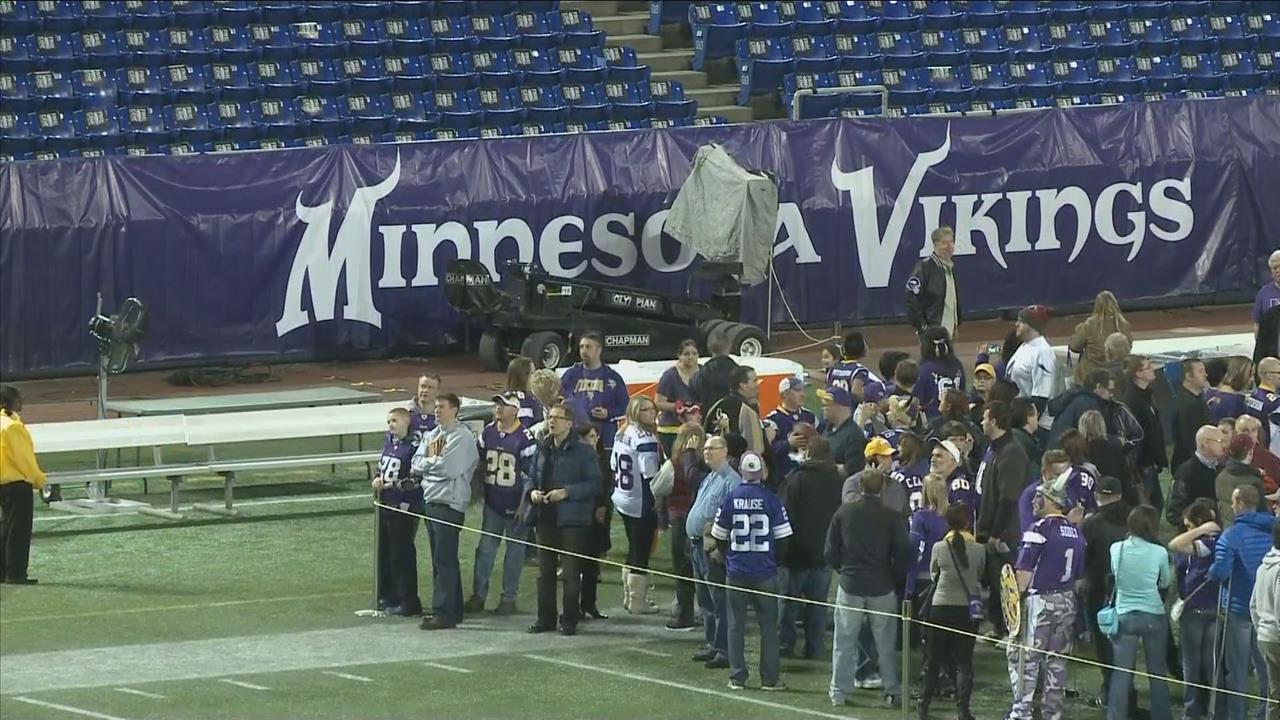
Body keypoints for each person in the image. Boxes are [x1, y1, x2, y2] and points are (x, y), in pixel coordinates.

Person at [827, 468, 913, 708]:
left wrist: (843, 571)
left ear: (860, 487)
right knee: (885, 643)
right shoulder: (891, 516)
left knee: (844, 641)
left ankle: (839, 692)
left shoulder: (844, 512)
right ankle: (893, 690)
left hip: (851, 584)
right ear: (883, 489)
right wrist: (893, 577)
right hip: (882, 586)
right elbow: (904, 552)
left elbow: (830, 551)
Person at [711, 452, 792, 691]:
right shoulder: (772, 499)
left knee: (735, 626)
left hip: (736, 572)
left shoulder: (731, 497)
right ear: (762, 472)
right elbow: (784, 539)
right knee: (768, 628)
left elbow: (719, 536)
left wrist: (729, 557)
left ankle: (737, 676)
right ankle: (770, 678)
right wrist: (773, 561)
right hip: (765, 573)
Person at [1006, 479, 1086, 720]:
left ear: (1053, 501)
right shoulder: (1076, 533)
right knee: (1057, 660)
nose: (1034, 500)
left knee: (1025, 658)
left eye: (1040, 496)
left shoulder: (1039, 529)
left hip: (1040, 601)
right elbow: (1079, 575)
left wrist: (1014, 603)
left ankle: (1022, 712)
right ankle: (1053, 713)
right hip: (1067, 600)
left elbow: (1022, 575)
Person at [524, 402, 604, 636]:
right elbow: (529, 475)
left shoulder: (584, 451)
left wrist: (567, 492)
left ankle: (569, 619)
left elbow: (595, 484)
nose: (552, 421)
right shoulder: (543, 447)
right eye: (550, 417)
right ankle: (545, 618)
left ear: (569, 423)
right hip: (545, 517)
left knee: (570, 573)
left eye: (558, 418)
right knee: (544, 572)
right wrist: (532, 492)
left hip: (572, 520)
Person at [465, 392, 538, 615]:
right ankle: (478, 595)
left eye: (504, 405)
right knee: (485, 551)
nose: (498, 408)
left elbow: (531, 475)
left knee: (514, 554)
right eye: (497, 404)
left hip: (516, 506)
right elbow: (478, 463)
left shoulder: (526, 439)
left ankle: (508, 598)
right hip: (493, 503)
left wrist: (524, 504)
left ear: (515, 410)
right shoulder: (488, 432)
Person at [412, 393, 480, 631]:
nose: (437, 410)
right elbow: (416, 463)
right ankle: (454, 609)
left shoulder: (462, 438)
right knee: (440, 559)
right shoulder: (433, 435)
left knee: (444, 559)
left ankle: (443, 612)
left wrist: (429, 467)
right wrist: (432, 465)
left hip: (449, 504)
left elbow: (449, 469)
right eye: (436, 407)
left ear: (455, 410)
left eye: (442, 407)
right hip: (432, 501)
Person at [1210, 484, 1277, 720]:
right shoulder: (1271, 531)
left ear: (1239, 504)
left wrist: (1211, 570)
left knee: (1236, 672)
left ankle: (1236, 716)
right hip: (1264, 611)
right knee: (1266, 672)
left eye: (1232, 501)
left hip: (1237, 610)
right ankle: (1264, 715)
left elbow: (1221, 572)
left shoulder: (1231, 536)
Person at [918, 502, 985, 720]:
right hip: (966, 610)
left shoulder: (939, 547)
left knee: (933, 659)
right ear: (968, 522)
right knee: (964, 663)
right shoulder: (979, 549)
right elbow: (979, 574)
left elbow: (933, 573)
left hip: (940, 608)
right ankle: (963, 710)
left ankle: (923, 706)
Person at [1106, 505, 1173, 720]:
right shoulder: (1159, 552)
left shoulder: (1117, 548)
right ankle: (1161, 716)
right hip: (1153, 614)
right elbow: (1165, 581)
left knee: (1121, 674)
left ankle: (1116, 716)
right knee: (1157, 672)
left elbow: (1116, 576)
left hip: (1125, 614)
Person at [778, 435, 841, 659]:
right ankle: (814, 646)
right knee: (818, 604)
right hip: (823, 553)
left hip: (796, 553)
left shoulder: (796, 479)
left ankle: (786, 644)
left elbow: (784, 516)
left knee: (788, 602)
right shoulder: (838, 480)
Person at [686, 434, 743, 668]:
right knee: (706, 600)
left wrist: (721, 547)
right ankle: (712, 643)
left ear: (725, 452)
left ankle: (723, 649)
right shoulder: (710, 477)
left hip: (712, 548)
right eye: (705, 448)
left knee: (719, 600)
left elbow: (733, 518)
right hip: (697, 544)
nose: (706, 452)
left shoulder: (732, 481)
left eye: (712, 448)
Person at [1081, 476, 1134, 711]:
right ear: (1120, 495)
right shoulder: (1136, 518)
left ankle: (1112, 694)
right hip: (1130, 592)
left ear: (1097, 496)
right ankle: (1125, 692)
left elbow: (1083, 558)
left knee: (1104, 646)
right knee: (1126, 647)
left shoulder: (1091, 523)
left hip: (1098, 593)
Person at [1170, 498, 1224, 720]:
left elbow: (1174, 544)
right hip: (1207, 609)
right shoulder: (1217, 541)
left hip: (1199, 611)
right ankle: (1209, 709)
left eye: (1189, 526)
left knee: (1195, 664)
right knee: (1206, 664)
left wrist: (1200, 530)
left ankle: (1195, 710)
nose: (1187, 530)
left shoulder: (1205, 545)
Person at [611, 395, 662, 615]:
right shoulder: (645, 439)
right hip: (640, 500)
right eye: (646, 410)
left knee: (634, 546)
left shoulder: (622, 432)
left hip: (622, 496)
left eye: (653, 409)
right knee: (641, 549)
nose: (652, 413)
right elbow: (651, 475)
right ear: (635, 412)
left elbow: (613, 463)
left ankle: (629, 596)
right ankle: (637, 601)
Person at [373, 407, 422, 616]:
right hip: (385, 506)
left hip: (403, 507)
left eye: (394, 421)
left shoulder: (414, 447)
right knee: (386, 554)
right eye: (388, 421)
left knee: (401, 556)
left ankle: (408, 601)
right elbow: (381, 465)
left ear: (405, 422)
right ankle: (389, 595)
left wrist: (391, 485)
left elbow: (416, 479)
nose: (390, 425)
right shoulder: (389, 442)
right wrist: (376, 477)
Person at [975, 400, 1033, 567]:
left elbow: (1009, 498)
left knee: (1002, 588)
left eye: (985, 418)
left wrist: (996, 534)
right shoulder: (994, 448)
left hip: (1002, 539)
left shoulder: (1011, 452)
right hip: (986, 532)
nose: (981, 422)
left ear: (994, 421)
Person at [0, 385, 46, 585]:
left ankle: (3, 571)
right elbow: (24, 459)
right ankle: (16, 573)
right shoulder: (12, 427)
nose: (21, 403)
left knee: (5, 529)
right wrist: (38, 479)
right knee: (18, 531)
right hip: (17, 483)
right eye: (17, 399)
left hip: (2, 483)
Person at [666, 420, 707, 631]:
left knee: (683, 567)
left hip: (681, 516)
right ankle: (701, 611)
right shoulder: (707, 462)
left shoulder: (676, 462)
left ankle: (684, 614)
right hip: (700, 520)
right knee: (699, 567)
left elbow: (658, 486)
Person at [561, 333, 629, 452]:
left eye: (588, 347)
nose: (583, 351)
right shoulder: (571, 375)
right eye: (581, 347)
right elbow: (560, 400)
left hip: (605, 435)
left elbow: (625, 406)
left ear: (598, 350)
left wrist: (608, 413)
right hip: (576, 433)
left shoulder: (612, 376)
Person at [1121, 355, 1169, 512]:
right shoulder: (1133, 400)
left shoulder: (1146, 396)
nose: (1152, 369)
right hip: (1143, 464)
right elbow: (1137, 434)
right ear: (1138, 374)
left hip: (1150, 462)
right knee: (1145, 507)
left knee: (1155, 505)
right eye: (1148, 367)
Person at [575, 424, 613, 621]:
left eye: (595, 436)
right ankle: (575, 606)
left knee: (592, 563)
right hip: (580, 516)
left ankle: (590, 604)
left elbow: (608, 485)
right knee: (577, 563)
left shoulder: (603, 459)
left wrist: (604, 505)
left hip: (598, 518)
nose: (594, 440)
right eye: (589, 436)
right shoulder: (576, 459)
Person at [907, 474, 950, 641]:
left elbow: (915, 549)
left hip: (923, 577)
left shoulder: (921, 518)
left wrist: (909, 586)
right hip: (946, 577)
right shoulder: (952, 517)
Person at [1005, 305, 1056, 438]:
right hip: (1019, 419)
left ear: (1032, 326)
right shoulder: (1025, 346)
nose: (1016, 324)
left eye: (1021, 321)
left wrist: (1027, 427)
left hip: (1036, 426)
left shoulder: (1042, 352)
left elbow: (1041, 396)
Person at [905, 225, 961, 341]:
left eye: (951, 242)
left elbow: (951, 301)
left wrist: (955, 324)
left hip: (948, 332)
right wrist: (923, 327)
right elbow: (911, 298)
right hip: (932, 332)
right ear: (935, 244)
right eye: (944, 243)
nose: (949, 246)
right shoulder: (924, 267)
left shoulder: (949, 268)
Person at [1167, 425, 1228, 528]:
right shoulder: (1186, 472)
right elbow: (1174, 512)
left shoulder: (1222, 469)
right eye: (1220, 441)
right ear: (1206, 443)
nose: (1224, 445)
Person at [1069, 290, 1132, 385]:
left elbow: (1075, 347)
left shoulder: (1089, 324)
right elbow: (1128, 347)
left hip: (1091, 373)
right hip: (1118, 371)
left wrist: (1078, 331)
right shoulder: (1123, 324)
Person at [1252, 521, 1280, 720]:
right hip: (1277, 637)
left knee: (1274, 693)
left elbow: (1253, 605)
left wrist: (1261, 629)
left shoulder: (1263, 565)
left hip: (1265, 636)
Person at [1047, 369, 1115, 449]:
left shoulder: (1076, 398)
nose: (1112, 395)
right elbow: (1094, 436)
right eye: (1110, 390)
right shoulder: (1088, 405)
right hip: (1067, 453)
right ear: (1098, 386)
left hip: (1057, 449)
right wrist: (1117, 441)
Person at [707, 365, 767, 456]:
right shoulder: (747, 411)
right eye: (754, 381)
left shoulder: (717, 405)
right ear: (742, 385)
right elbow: (755, 448)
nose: (758, 385)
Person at [766, 376, 816, 482]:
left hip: (810, 476)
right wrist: (788, 444)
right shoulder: (773, 420)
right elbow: (767, 451)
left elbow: (822, 439)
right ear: (785, 394)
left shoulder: (809, 416)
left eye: (803, 390)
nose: (803, 394)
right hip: (785, 479)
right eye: (797, 390)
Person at [656, 339, 701, 457]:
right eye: (686, 354)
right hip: (671, 429)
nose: (690, 357)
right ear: (679, 356)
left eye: (694, 354)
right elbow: (659, 402)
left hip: (695, 429)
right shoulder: (670, 375)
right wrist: (680, 408)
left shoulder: (703, 373)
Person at [842, 437, 908, 513]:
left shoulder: (895, 485)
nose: (890, 461)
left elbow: (904, 513)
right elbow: (853, 510)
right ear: (871, 460)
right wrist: (872, 481)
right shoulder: (852, 483)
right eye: (884, 457)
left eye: (890, 456)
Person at [1079, 410, 1132, 500]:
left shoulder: (1081, 451)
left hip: (1091, 501)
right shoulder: (1116, 449)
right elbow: (1125, 479)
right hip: (1115, 498)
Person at [915, 326, 967, 420]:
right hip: (959, 421)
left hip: (934, 423)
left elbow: (919, 400)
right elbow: (963, 392)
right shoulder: (957, 364)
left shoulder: (923, 369)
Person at [1218, 433, 1270, 526]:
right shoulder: (1253, 482)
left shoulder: (1220, 476)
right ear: (1250, 452)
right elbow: (1262, 514)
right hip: (1251, 531)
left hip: (1227, 530)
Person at [818, 385, 867, 477]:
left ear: (841, 407)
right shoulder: (828, 429)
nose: (823, 407)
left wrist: (820, 467)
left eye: (827, 403)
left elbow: (853, 470)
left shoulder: (853, 434)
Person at [1173, 358, 1213, 471]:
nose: (1205, 375)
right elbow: (1189, 441)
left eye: (1204, 371)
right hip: (1191, 466)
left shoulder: (1195, 399)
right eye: (1200, 371)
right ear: (1189, 376)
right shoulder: (1188, 405)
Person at [828, 330, 884, 400]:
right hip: (849, 409)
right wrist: (865, 400)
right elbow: (856, 392)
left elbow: (826, 380)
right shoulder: (860, 370)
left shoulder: (835, 367)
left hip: (833, 406)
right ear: (863, 350)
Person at [693, 328, 739, 409]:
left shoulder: (701, 372)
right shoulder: (737, 371)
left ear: (709, 347)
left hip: (709, 416)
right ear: (730, 346)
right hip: (732, 414)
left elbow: (697, 398)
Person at [1207, 357, 1255, 425]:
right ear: (1242, 374)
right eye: (1251, 375)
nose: (1252, 380)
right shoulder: (1239, 402)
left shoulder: (1209, 393)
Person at [1247, 357, 1280, 455]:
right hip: (1272, 452)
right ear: (1269, 375)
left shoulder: (1253, 396)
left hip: (1256, 450)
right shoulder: (1274, 403)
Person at [894, 432, 931, 511]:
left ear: (907, 449)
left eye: (900, 445)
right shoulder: (929, 472)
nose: (897, 447)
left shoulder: (901, 475)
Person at [505, 357, 543, 430]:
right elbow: (524, 432)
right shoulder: (524, 402)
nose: (535, 376)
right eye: (532, 373)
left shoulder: (504, 396)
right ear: (523, 376)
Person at [1009, 397, 1044, 467]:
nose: (1037, 419)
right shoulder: (1026, 444)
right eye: (1036, 414)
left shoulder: (1010, 437)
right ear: (1028, 418)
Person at [1253, 249, 1280, 337]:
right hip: (1272, 347)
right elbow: (1257, 324)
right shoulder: (1263, 293)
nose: (1278, 271)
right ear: (1271, 271)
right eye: (1275, 268)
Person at [408, 372, 441, 442]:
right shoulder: (405, 414)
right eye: (423, 386)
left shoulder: (443, 416)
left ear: (437, 391)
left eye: (430, 388)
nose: (425, 390)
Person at [969, 362, 996, 426]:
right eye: (978, 378)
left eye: (987, 378)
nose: (982, 381)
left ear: (994, 381)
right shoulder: (969, 405)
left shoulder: (998, 405)